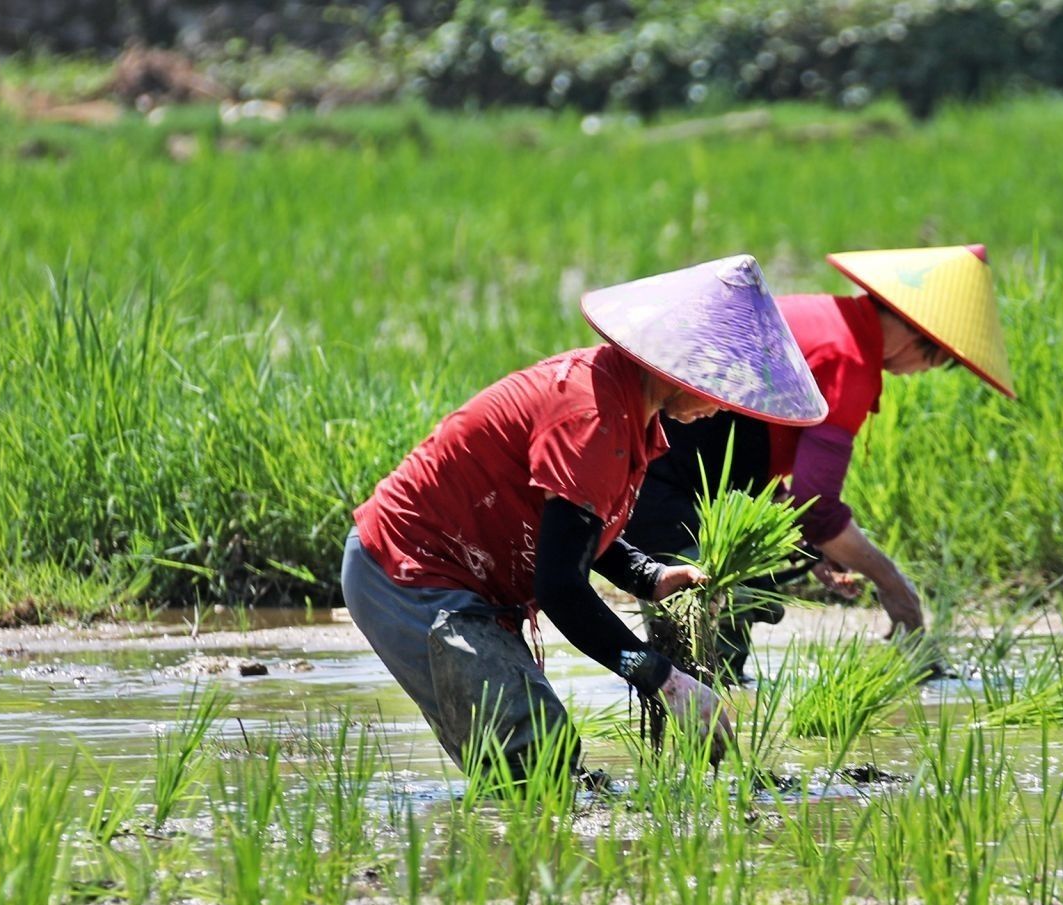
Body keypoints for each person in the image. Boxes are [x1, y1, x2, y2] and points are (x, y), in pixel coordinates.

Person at [341, 255, 827, 777]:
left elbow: (576, 528)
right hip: (409, 574)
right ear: (681, 362)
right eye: (720, 382)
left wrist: (649, 576)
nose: (726, 404)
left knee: (545, 767)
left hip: (467, 578)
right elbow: (561, 591)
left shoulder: (625, 408)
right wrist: (662, 678)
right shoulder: (592, 417)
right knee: (530, 758)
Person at [625, 244, 1016, 675]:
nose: (925, 371)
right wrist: (894, 586)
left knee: (706, 645)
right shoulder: (847, 358)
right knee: (715, 640)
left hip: (657, 470)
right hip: (654, 480)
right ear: (912, 331)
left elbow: (742, 445)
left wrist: (813, 546)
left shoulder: (822, 318)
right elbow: (819, 506)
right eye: (938, 358)